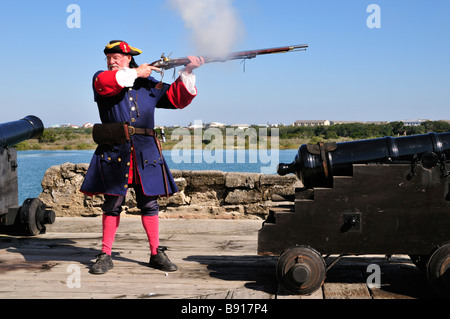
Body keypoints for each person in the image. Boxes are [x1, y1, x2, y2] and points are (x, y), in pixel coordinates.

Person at [80, 40, 204, 274]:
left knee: (149, 204)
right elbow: (110, 82)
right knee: (112, 204)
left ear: (128, 58)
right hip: (115, 150)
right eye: (109, 57)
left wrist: (187, 71)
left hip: (146, 151)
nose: (111, 60)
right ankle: (105, 254)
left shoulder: (147, 83)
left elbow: (177, 99)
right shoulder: (103, 79)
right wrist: (137, 72)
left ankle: (156, 253)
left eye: (116, 57)